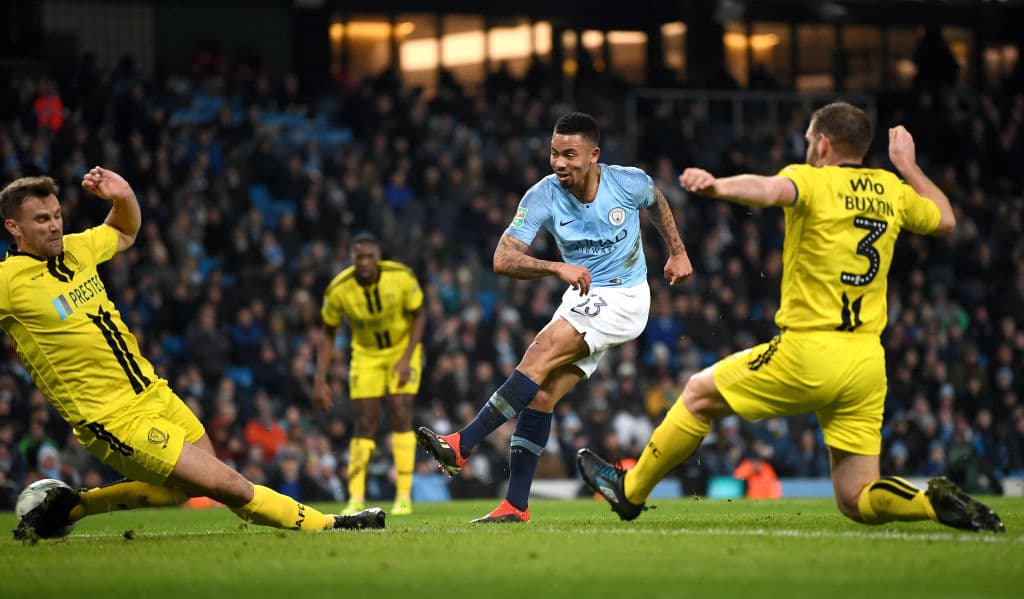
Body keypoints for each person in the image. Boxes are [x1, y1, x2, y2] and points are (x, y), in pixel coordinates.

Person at [577, 102, 1005, 533]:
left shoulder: (812, 180)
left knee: (697, 394)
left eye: (809, 142)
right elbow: (946, 219)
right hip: (867, 362)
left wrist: (718, 185)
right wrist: (908, 167)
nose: (807, 150)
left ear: (824, 144)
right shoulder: (891, 189)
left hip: (810, 350)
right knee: (856, 497)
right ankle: (930, 503)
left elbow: (768, 190)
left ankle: (630, 492)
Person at [2, 168, 385, 540]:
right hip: (112, 418)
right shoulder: (9, 283)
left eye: (57, 215)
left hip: (154, 392)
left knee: (188, 487)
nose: (54, 225)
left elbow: (124, 231)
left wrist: (125, 196)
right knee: (230, 485)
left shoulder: (77, 248)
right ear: (14, 227)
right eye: (41, 219)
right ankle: (333, 524)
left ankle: (76, 506)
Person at [417, 112, 693, 523]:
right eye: (554, 153)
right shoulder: (543, 195)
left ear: (593, 155)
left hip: (624, 296)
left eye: (569, 154)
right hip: (581, 293)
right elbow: (502, 258)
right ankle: (516, 504)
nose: (559, 163)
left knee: (541, 349)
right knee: (541, 394)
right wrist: (555, 267)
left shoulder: (627, 182)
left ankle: (462, 444)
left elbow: (657, 200)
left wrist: (677, 251)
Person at [313, 232, 425, 516]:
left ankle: (403, 496)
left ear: (378, 257)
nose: (364, 262)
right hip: (365, 356)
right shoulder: (338, 289)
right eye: (358, 256)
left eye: (369, 256)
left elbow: (419, 315)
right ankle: (356, 497)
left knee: (401, 411)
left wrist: (406, 358)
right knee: (364, 422)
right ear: (351, 258)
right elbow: (327, 333)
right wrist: (320, 378)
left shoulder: (400, 276)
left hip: (402, 350)